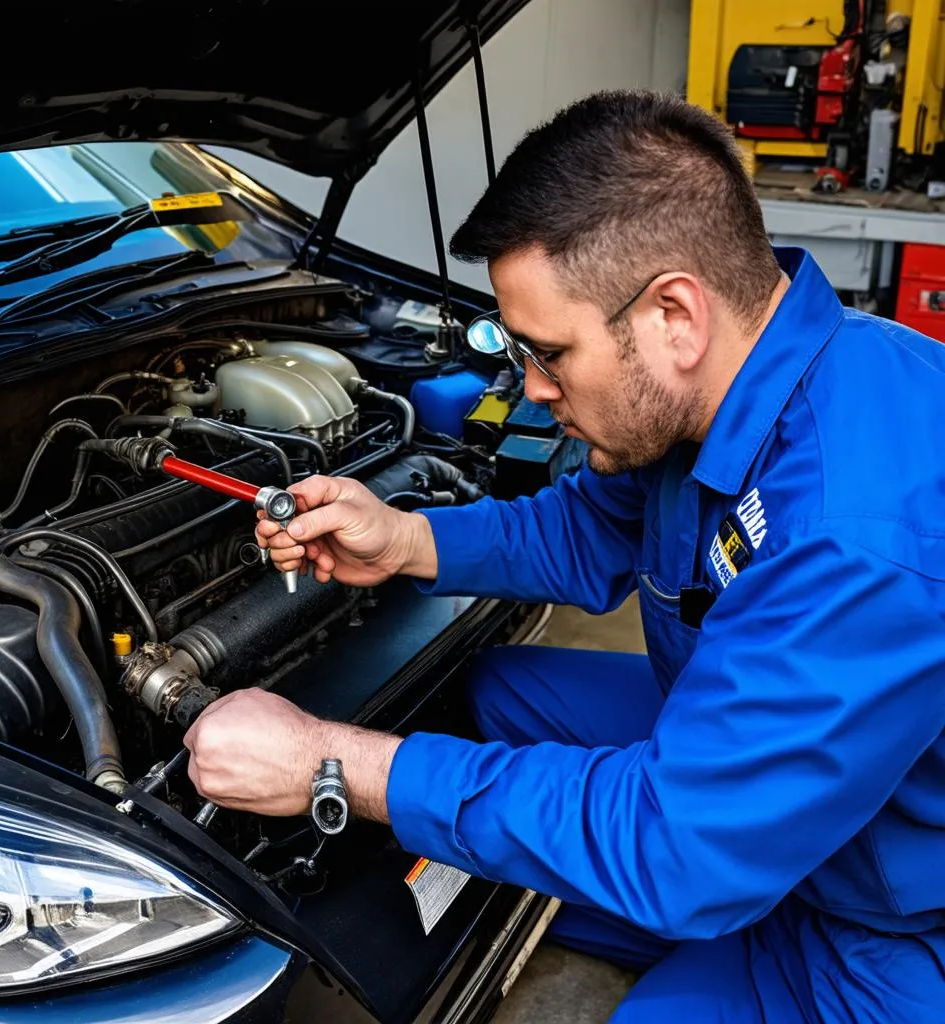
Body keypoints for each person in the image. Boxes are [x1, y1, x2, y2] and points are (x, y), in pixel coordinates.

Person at [183, 89, 945, 1021]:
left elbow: (678, 847)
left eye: (549, 353)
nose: (534, 389)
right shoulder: (734, 384)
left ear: (675, 315)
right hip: (769, 765)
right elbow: (587, 528)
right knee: (497, 695)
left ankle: (705, 899)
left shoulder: (858, 531)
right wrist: (406, 537)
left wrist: (335, 767)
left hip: (891, 921)